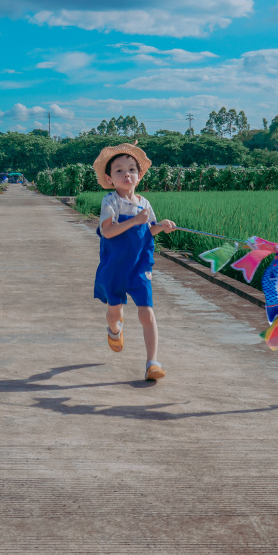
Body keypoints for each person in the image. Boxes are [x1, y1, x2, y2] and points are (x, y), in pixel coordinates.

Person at [92, 144, 176, 381]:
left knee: (147, 313)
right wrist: (135, 221)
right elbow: (107, 231)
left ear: (139, 176)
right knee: (114, 313)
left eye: (131, 169)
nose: (126, 174)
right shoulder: (110, 201)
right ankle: (114, 330)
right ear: (109, 178)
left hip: (140, 266)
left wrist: (163, 226)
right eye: (119, 170)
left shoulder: (144, 203)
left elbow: (150, 229)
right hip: (115, 267)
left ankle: (153, 362)